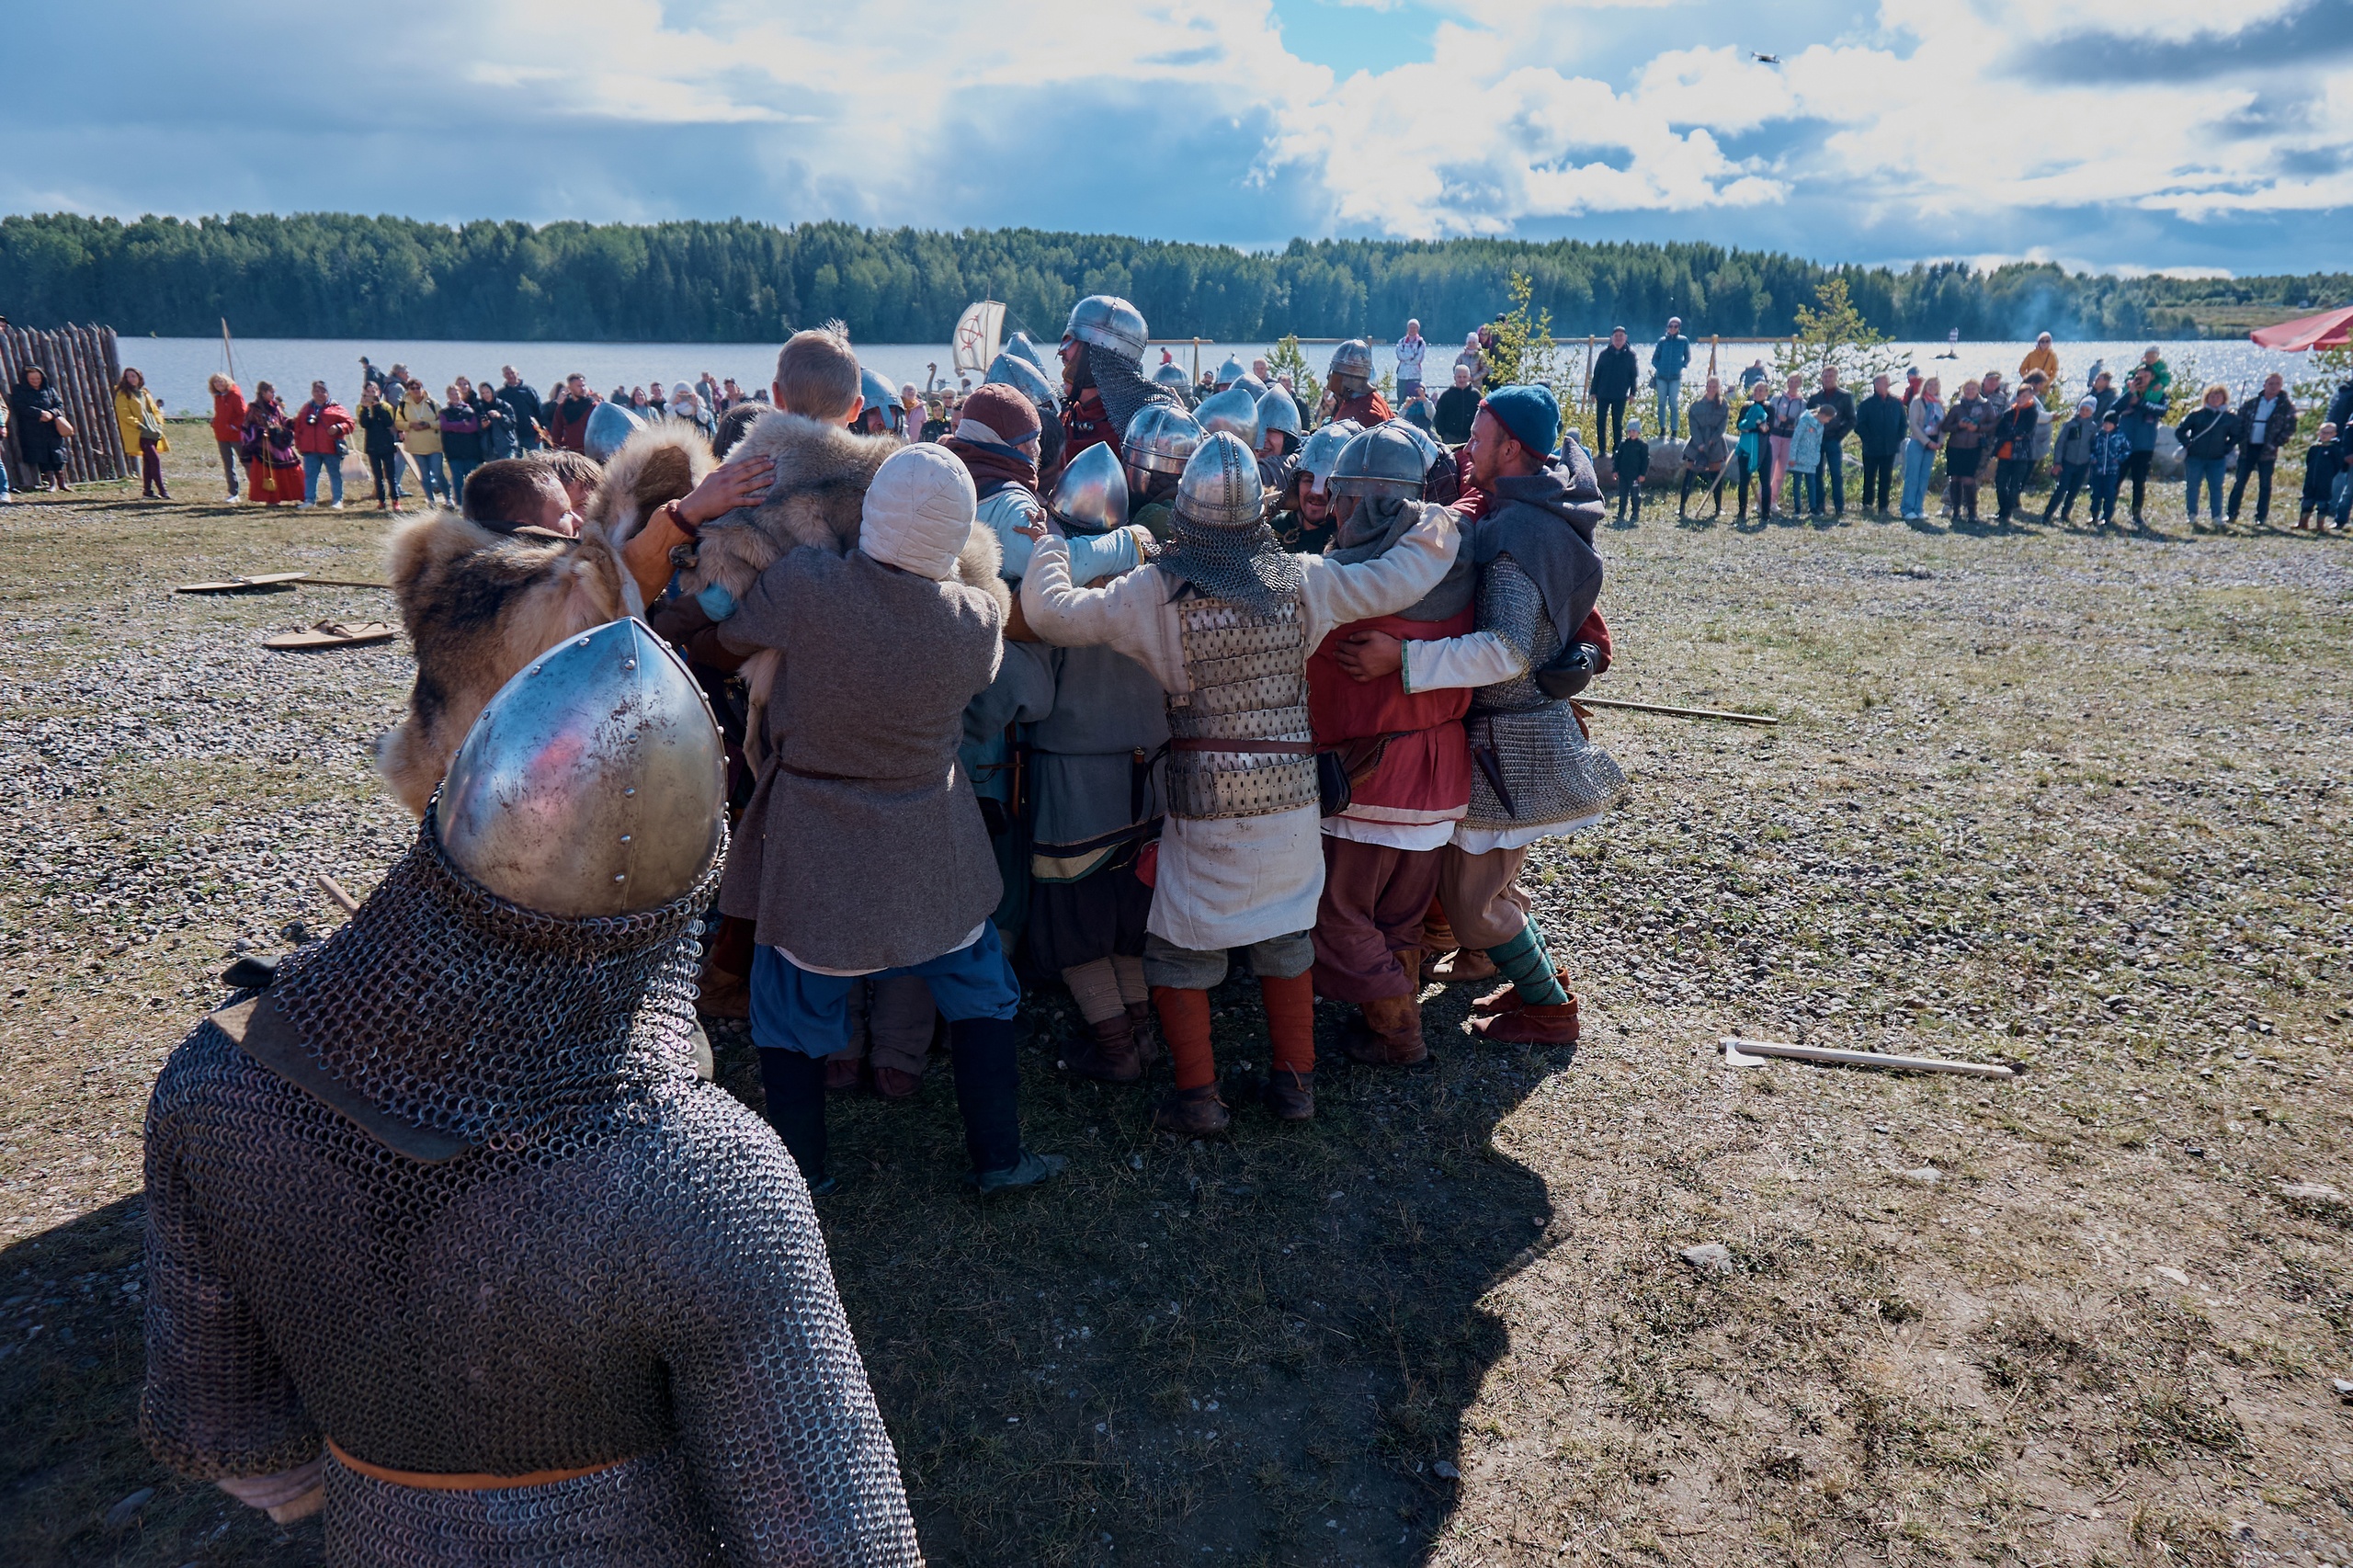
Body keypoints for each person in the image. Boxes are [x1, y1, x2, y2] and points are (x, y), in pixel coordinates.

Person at [142, 619, 926, 1560]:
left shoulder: (224, 1073)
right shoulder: (706, 1176)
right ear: (680, 906)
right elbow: (828, 1533)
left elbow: (241, 1437)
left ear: (452, 817)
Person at [1020, 432, 1461, 1134]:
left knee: (1178, 948)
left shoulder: (1153, 591)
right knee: (1286, 933)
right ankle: (1295, 1089)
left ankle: (1199, 1098)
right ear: (1259, 511)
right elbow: (1401, 577)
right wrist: (1440, 522)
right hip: (1290, 798)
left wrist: (1047, 542)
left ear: (1188, 513)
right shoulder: (1302, 578)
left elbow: (1050, 613)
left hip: (1206, 803)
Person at [707, 443, 1064, 1195]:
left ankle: (803, 1178)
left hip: (815, 838)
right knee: (979, 990)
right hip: (929, 837)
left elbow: (729, 638)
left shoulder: (805, 583)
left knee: (791, 1008)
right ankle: (998, 1157)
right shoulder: (973, 621)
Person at [1342, 384, 1620, 1048]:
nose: (1466, 447)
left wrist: (1401, 660)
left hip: (1513, 741)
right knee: (1490, 886)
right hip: (1499, 736)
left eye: (1478, 435)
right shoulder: (1520, 508)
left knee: (1474, 907)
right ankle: (1539, 980)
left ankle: (1552, 1009)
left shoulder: (1521, 530)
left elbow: (1505, 651)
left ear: (1512, 448)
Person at [1283, 424, 1480, 1081]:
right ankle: (1383, 1027)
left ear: (1356, 502)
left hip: (1372, 777)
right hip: (1441, 775)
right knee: (1398, 919)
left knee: (1339, 915)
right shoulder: (1458, 569)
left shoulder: (1345, 587)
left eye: (1338, 496)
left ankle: (1401, 1032)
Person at [1058, 294, 1175, 466]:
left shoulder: (1147, 426)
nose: (1061, 352)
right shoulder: (1065, 417)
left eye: (1071, 341)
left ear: (1100, 354)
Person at [2229, 373, 2295, 526]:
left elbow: (2290, 427)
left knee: (2265, 485)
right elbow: (2240, 421)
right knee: (2239, 482)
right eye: (2271, 383)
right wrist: (2241, 439)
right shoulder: (2252, 403)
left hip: (2268, 451)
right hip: (2248, 448)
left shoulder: (2285, 407)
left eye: (2277, 384)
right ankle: (2231, 513)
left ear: (2281, 386)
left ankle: (2261, 516)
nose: (2273, 387)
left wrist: (2277, 442)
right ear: (2264, 384)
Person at [2176, 383, 2238, 528]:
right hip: (2195, 457)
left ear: (2224, 398)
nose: (2215, 398)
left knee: (2216, 488)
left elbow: (2237, 435)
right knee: (2192, 486)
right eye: (2212, 396)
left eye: (2218, 396)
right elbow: (2180, 431)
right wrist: (2187, 443)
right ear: (2206, 398)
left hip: (2217, 459)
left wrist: (2227, 448)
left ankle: (2216, 516)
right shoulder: (2196, 414)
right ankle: (2191, 514)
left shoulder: (2229, 418)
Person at [2112, 369, 2165, 526]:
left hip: (2144, 446)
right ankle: (2106, 512)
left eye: (2146, 376)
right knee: (2115, 480)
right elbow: (2115, 409)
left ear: (2152, 378)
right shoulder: (2127, 393)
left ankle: (2136, 514)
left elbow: (2162, 410)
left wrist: (2140, 403)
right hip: (2123, 444)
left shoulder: (2159, 395)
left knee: (2139, 481)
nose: (2142, 379)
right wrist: (2130, 394)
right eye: (2139, 376)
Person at [290, 380, 353, 509]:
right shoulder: (306, 408)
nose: (319, 394)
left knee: (335, 474)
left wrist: (339, 427)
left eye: (322, 391)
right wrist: (299, 445)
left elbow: (350, 424)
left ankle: (337, 500)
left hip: (330, 449)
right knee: (310, 475)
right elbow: (298, 428)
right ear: (312, 392)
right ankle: (309, 500)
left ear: (327, 393)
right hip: (310, 449)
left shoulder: (336, 408)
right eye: (316, 391)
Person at [240, 381, 303, 506]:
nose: (274, 394)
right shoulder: (254, 408)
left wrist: (293, 422)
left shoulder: (275, 406)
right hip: (264, 446)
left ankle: (299, 494)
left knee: (292, 469)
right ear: (263, 393)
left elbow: (282, 420)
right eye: (271, 392)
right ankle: (272, 498)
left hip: (280, 443)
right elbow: (247, 425)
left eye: (274, 392)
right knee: (270, 472)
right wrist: (259, 431)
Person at [1803, 365, 1855, 517]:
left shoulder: (1845, 396)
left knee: (1836, 474)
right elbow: (1807, 418)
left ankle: (1839, 507)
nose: (1828, 379)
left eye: (1831, 376)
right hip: (1817, 441)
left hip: (1833, 439)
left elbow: (1852, 420)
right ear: (1822, 378)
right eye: (1825, 376)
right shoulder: (1815, 398)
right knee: (1817, 473)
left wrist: (1839, 435)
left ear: (1836, 377)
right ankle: (1819, 506)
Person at [114, 367, 172, 501]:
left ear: (139, 378)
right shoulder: (123, 394)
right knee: (155, 460)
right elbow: (124, 414)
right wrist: (138, 425)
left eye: (134, 376)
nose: (131, 379)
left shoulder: (144, 392)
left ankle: (147, 491)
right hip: (140, 432)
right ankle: (162, 490)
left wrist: (159, 422)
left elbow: (154, 410)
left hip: (153, 430)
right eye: (128, 376)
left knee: (148, 461)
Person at [9, 365, 70, 491]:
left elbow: (59, 405)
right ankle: (51, 483)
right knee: (42, 455)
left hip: (52, 428)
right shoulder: (19, 390)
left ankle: (62, 483)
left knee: (57, 454)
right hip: (33, 429)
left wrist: (51, 414)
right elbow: (20, 407)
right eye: (32, 379)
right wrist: (40, 413)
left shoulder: (49, 390)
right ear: (26, 379)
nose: (35, 381)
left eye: (38, 378)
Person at [2041, 398, 2100, 525]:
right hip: (2068, 462)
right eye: (2082, 409)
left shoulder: (2093, 427)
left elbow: (2093, 445)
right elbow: (2060, 443)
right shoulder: (2070, 424)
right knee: (2061, 489)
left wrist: (2092, 462)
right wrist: (2058, 462)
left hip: (2083, 464)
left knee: (2074, 490)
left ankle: (2065, 513)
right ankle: (2048, 514)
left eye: (2087, 410)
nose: (2084, 412)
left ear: (2092, 412)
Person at [1854, 373, 1905, 516]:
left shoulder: (1896, 403)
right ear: (1875, 385)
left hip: (1889, 447)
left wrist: (1898, 439)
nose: (1884, 386)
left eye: (1886, 383)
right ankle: (1867, 504)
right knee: (1869, 476)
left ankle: (1883, 506)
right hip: (1871, 448)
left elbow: (1903, 424)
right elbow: (1859, 425)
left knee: (1886, 477)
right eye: (1881, 383)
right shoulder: (1866, 404)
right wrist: (1869, 439)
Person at [1678, 378, 1729, 519]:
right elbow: (1693, 427)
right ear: (1706, 387)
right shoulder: (1696, 406)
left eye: (1715, 386)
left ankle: (1718, 509)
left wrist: (1712, 440)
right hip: (1696, 443)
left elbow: (1722, 426)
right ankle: (1682, 508)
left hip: (1716, 443)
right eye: (1709, 386)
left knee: (1716, 476)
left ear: (1718, 388)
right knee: (1690, 475)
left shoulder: (1723, 405)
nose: (1712, 389)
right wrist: (1700, 443)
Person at [1990, 387, 2042, 524]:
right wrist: (2013, 436)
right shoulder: (2009, 413)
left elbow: (2025, 432)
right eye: (2019, 396)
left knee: (2015, 485)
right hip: (2004, 454)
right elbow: (1999, 432)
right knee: (2000, 483)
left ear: (2030, 397)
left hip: (2021, 455)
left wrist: (2011, 435)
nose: (2021, 399)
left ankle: (2006, 513)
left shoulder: (2032, 413)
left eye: (2024, 396)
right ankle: (2002, 510)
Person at [1942, 378, 1989, 522]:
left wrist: (1978, 428)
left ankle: (1972, 512)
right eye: (1967, 389)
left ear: (1978, 390)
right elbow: (1945, 426)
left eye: (1973, 388)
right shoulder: (1957, 407)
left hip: (1973, 448)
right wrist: (1959, 426)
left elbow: (1993, 424)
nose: (1970, 391)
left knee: (1969, 479)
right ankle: (1956, 511)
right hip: (1955, 447)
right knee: (1955, 478)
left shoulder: (1985, 406)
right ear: (1963, 390)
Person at [396, 380, 449, 506]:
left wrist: (429, 425)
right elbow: (398, 423)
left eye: (418, 387)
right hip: (415, 447)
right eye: (412, 388)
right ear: (408, 390)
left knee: (438, 473)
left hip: (434, 446)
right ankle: (431, 500)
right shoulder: (403, 405)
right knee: (424, 475)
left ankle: (448, 498)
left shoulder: (433, 403)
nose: (416, 390)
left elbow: (443, 422)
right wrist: (410, 425)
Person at [1900, 376, 1944, 522]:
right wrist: (1926, 442)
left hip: (1933, 444)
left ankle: (1918, 508)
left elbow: (1942, 426)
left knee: (1924, 477)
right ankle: (1907, 508)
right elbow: (1913, 424)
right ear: (1925, 386)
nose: (1932, 387)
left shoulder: (1940, 403)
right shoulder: (1917, 401)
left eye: (1935, 385)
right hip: (1917, 442)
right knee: (1912, 476)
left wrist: (1940, 442)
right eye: (1930, 384)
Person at [1586, 326, 1638, 452]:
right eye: (1616, 336)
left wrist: (1632, 394)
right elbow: (1596, 374)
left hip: (1620, 395)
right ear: (1612, 338)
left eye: (1621, 336)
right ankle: (1602, 450)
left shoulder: (1630, 355)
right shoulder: (1604, 354)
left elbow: (1633, 376)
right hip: (1603, 393)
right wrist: (1593, 392)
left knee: (1617, 423)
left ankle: (1617, 449)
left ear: (1625, 338)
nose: (1618, 339)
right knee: (1600, 423)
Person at [356, 381, 403, 510]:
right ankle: (381, 501)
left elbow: (388, 422)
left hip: (386, 444)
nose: (371, 394)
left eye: (373, 391)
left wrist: (377, 407)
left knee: (390, 475)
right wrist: (365, 408)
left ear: (379, 392)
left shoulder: (386, 406)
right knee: (378, 476)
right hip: (372, 445)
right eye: (368, 392)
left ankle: (395, 500)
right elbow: (365, 424)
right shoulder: (361, 407)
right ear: (364, 393)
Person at [1324, 340, 1392, 426]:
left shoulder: (1364, 415)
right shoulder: (1375, 399)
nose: (1330, 378)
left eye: (1335, 373)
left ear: (1347, 377)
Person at [1734, 381, 1774, 522]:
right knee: (1744, 480)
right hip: (1747, 447)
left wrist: (1753, 427)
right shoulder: (1746, 407)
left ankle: (1766, 513)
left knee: (1765, 481)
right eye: (1756, 390)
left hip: (1763, 447)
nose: (1758, 393)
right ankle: (1741, 511)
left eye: (1761, 390)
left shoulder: (1769, 408)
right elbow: (1740, 425)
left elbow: (1769, 428)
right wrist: (1757, 426)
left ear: (1766, 393)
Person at [207, 373, 248, 503]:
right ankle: (233, 493)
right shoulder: (218, 397)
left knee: (247, 462)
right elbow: (220, 414)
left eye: (221, 382)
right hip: (221, 435)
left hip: (235, 435)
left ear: (227, 382)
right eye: (216, 382)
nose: (219, 385)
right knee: (228, 464)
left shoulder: (235, 395)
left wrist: (233, 426)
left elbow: (243, 414)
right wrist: (215, 422)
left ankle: (258, 490)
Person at [439, 384, 484, 500]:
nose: (455, 396)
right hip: (453, 452)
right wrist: (462, 424)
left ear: (461, 394)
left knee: (472, 479)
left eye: (457, 393)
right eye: (452, 394)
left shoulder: (469, 410)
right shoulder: (444, 412)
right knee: (457, 479)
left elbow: (473, 427)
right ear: (448, 396)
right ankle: (460, 504)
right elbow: (445, 426)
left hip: (470, 450)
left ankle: (475, 502)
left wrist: (454, 427)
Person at [1649, 318, 1691, 439]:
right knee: (1661, 403)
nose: (1673, 328)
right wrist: (1660, 367)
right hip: (1661, 377)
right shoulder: (1662, 341)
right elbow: (1654, 358)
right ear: (1667, 327)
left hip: (1675, 378)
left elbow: (1688, 357)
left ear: (1679, 328)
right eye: (1671, 326)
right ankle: (1662, 429)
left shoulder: (1683, 341)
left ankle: (1674, 430)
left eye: (1676, 326)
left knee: (1673, 403)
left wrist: (1680, 366)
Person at [2296, 423, 2344, 530]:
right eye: (2323, 432)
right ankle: (2302, 523)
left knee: (2322, 502)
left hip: (2325, 482)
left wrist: (2329, 474)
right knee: (2307, 501)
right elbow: (2309, 461)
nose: (2324, 435)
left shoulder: (2335, 449)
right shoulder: (2314, 448)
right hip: (2311, 479)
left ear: (2334, 434)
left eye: (2328, 433)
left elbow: (2338, 465)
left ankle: (2320, 526)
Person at [2087, 413, 2131, 527]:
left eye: (2109, 424)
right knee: (2096, 494)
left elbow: (2127, 449)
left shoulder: (2120, 436)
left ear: (2115, 425)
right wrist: (2093, 459)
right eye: (2105, 423)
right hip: (2097, 470)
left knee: (2109, 494)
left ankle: (2106, 517)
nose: (2107, 426)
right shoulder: (2098, 436)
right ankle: (2094, 515)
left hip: (2112, 471)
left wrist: (2119, 459)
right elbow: (2091, 449)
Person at [1786, 401, 1827, 518]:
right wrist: (1792, 457)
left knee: (1812, 484)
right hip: (1798, 458)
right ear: (1823, 415)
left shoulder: (1821, 426)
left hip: (1811, 460)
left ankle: (1813, 508)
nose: (1828, 422)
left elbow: (1818, 443)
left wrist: (1817, 458)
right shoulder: (1804, 421)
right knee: (1797, 483)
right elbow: (1796, 439)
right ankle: (1797, 509)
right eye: (1828, 419)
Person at [1767, 372, 1806, 496]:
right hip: (1774, 436)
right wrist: (1778, 420)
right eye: (1791, 381)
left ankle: (1773, 500)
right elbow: (1769, 416)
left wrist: (1789, 421)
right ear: (1787, 382)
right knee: (1769, 468)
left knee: (1781, 471)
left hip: (1790, 438)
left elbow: (1802, 421)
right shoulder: (1777, 398)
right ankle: (1762, 499)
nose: (1793, 385)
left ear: (1800, 384)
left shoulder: (1802, 403)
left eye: (1796, 382)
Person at [493, 365, 543, 452]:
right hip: (512, 435)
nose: (510, 376)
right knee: (515, 464)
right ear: (504, 376)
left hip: (531, 434)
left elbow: (539, 410)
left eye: (512, 373)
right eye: (507, 374)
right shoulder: (501, 394)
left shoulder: (528, 390)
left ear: (518, 373)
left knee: (535, 461)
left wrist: (541, 431)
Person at [546, 373, 599, 453]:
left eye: (584, 385)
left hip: (592, 452)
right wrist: (557, 451)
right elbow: (557, 432)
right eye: (579, 386)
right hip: (571, 452)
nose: (583, 389)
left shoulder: (594, 407)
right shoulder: (562, 408)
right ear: (570, 388)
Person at [1611, 419, 1650, 523]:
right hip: (1623, 475)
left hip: (1635, 476)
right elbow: (1618, 458)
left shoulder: (1642, 446)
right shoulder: (1623, 444)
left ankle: (1635, 514)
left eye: (1634, 431)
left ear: (1638, 432)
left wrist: (1643, 474)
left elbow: (1645, 461)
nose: (1631, 433)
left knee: (1635, 496)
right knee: (1622, 495)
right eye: (1629, 431)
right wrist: (1615, 470)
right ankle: (1621, 513)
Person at [1435, 363, 1481, 446]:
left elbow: (1481, 415)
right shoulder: (1446, 395)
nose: (1462, 379)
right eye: (1459, 377)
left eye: (1464, 377)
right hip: (1450, 437)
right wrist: (1443, 433)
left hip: (1470, 437)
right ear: (1454, 378)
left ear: (1469, 378)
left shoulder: (1475, 395)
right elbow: (1439, 416)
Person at [1394, 319, 1427, 402]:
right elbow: (1399, 355)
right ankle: (1400, 413)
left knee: (1415, 399)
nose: (1412, 329)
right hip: (1402, 375)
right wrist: (1412, 355)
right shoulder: (1401, 342)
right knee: (1401, 399)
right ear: (1407, 328)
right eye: (1410, 327)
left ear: (1418, 329)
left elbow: (1418, 359)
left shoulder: (1421, 343)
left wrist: (1406, 358)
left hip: (1415, 376)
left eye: (1414, 328)